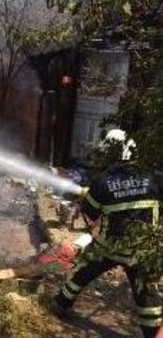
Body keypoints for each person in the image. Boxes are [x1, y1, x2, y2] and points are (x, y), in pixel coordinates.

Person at [54, 129, 162, 338]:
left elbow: (91, 214)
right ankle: (151, 333)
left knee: (82, 273)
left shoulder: (103, 181)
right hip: (143, 249)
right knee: (146, 295)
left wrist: (90, 196)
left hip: (109, 247)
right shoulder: (153, 177)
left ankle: (60, 304)